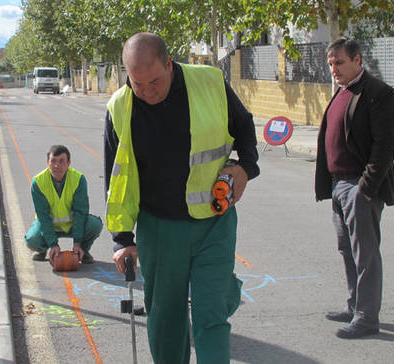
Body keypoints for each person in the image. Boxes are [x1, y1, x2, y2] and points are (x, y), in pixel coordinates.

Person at [104, 32, 259, 363]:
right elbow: (115, 176)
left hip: (214, 223)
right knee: (165, 318)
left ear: (169, 64)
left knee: (211, 312)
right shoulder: (119, 106)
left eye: (154, 81)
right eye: (137, 84)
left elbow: (244, 128)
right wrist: (122, 239)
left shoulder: (210, 82)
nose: (146, 92)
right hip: (159, 229)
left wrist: (245, 167)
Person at [315, 37, 394, 339]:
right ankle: (354, 305)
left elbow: (385, 145)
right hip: (339, 185)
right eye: (331, 64)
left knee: (365, 254)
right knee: (347, 250)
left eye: (339, 63)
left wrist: (366, 188)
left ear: (358, 60)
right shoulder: (341, 91)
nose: (334, 69)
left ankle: (366, 318)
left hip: (358, 186)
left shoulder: (378, 93)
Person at [25, 145, 103, 263]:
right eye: (53, 161)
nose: (57, 165)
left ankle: (82, 250)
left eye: (62, 161)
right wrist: (53, 245)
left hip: (71, 225)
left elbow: (80, 213)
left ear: (68, 163)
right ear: (48, 162)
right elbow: (43, 217)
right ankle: (43, 249)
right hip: (49, 225)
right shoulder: (38, 182)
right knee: (31, 240)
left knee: (95, 225)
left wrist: (77, 242)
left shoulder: (78, 179)